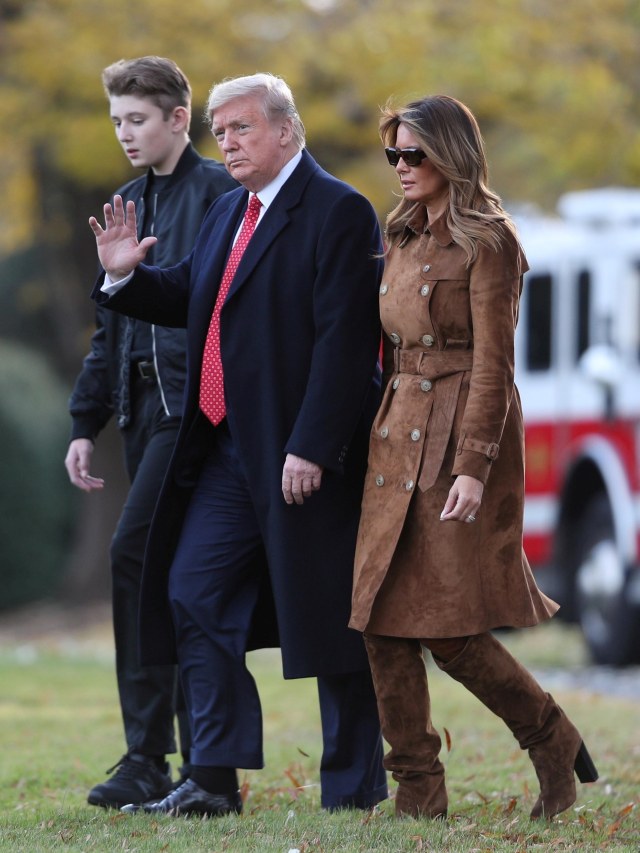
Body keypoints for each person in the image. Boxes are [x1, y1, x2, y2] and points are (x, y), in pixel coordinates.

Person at [87, 72, 387, 817]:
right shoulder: (229, 210)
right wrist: (126, 279)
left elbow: (346, 342)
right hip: (222, 451)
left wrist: (313, 445)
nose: (227, 143)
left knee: (330, 622)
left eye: (242, 129)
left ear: (287, 130)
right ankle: (213, 779)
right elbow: (191, 294)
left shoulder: (339, 210)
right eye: (220, 132)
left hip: (302, 455)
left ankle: (351, 786)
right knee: (193, 593)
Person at [349, 94, 599, 821]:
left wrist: (473, 464)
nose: (400, 167)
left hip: (459, 435)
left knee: (448, 627)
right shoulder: (398, 235)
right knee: (379, 619)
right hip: (396, 434)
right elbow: (391, 348)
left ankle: (551, 737)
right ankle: (418, 794)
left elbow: (496, 366)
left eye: (414, 154)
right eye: (393, 153)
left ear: (452, 155)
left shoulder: (490, 241)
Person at [65, 56, 236, 809]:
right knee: (161, 574)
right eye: (115, 122)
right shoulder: (125, 205)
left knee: (135, 554)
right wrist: (84, 421)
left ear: (176, 118)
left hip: (196, 419)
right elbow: (109, 333)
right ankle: (178, 760)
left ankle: (156, 756)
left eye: (136, 119)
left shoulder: (224, 197)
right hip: (139, 418)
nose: (124, 134)